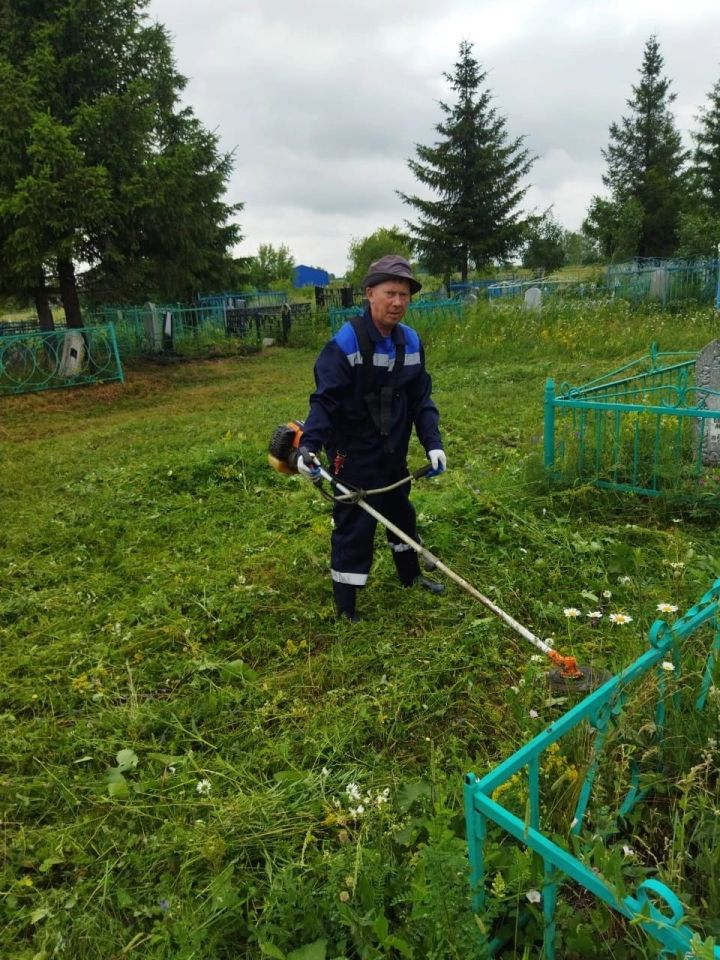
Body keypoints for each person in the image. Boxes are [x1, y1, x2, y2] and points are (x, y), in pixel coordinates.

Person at [297, 254, 447, 621]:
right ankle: (346, 609)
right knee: (354, 528)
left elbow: (420, 398)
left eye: (405, 295)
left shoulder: (410, 343)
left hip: (392, 449)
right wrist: (309, 446)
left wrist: (433, 442)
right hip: (351, 454)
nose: (398, 302)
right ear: (369, 294)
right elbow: (324, 400)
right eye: (390, 293)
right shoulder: (345, 342)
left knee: (400, 514)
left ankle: (410, 578)